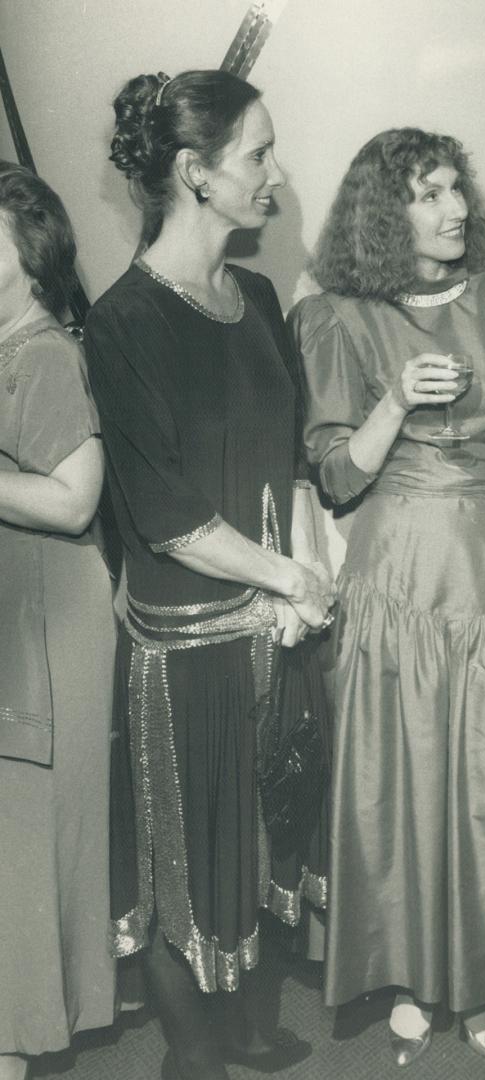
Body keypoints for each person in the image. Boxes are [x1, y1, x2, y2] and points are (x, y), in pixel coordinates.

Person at [289, 127, 485, 1067]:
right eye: (427, 193)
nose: (454, 208)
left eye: (457, 188)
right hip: (396, 572)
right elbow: (335, 476)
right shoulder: (336, 318)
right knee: (402, 779)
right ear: (383, 212)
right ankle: (412, 978)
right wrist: (396, 400)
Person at [83, 70, 335, 1080]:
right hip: (189, 646)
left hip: (277, 625)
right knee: (186, 854)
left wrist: (305, 579)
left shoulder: (260, 295)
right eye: (259, 154)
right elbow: (172, 518)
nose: (275, 174)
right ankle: (192, 1056)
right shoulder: (123, 323)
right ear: (196, 173)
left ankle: (241, 1028)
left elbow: (295, 458)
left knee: (269, 824)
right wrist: (289, 578)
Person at [0, 162, 115, 1080]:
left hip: (45, 623)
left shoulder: (39, 351)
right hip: (20, 612)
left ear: (27, 250)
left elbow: (76, 500)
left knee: (25, 852)